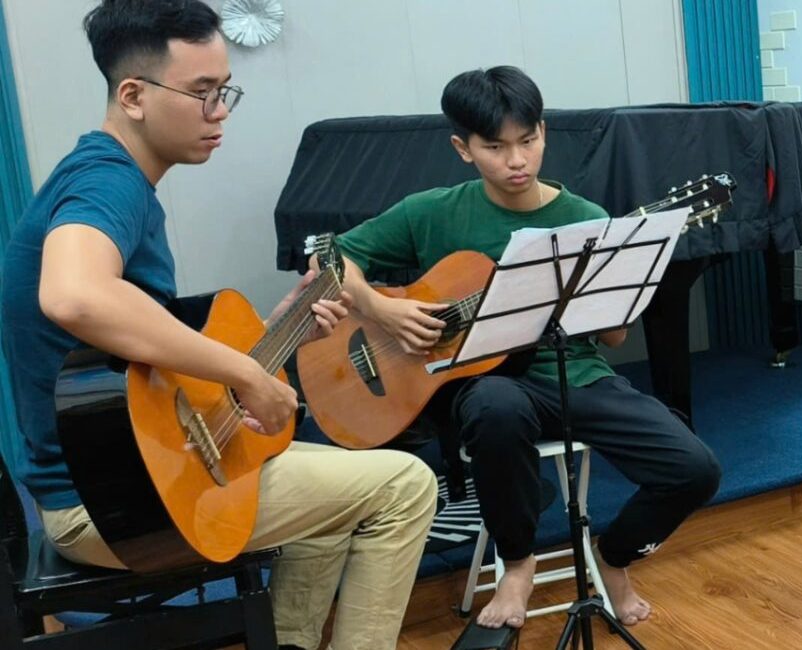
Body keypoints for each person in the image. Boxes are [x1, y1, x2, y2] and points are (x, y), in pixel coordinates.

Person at [0, 2, 438, 649]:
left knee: (331, 510)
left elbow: (142, 367)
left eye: (225, 91)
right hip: (108, 506)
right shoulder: (107, 182)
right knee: (405, 486)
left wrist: (280, 332)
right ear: (133, 95)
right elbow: (74, 296)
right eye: (202, 92)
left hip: (125, 478)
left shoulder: (111, 179)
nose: (220, 111)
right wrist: (245, 373)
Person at [330, 65, 723, 630]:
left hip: (574, 373)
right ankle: (517, 564)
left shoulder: (586, 219)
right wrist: (380, 308)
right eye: (495, 147)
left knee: (695, 469)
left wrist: (623, 286)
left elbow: (612, 338)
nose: (516, 160)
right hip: (476, 381)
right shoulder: (431, 211)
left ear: (544, 133)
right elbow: (328, 258)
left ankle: (613, 558)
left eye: (528, 140)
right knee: (497, 405)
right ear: (463, 149)